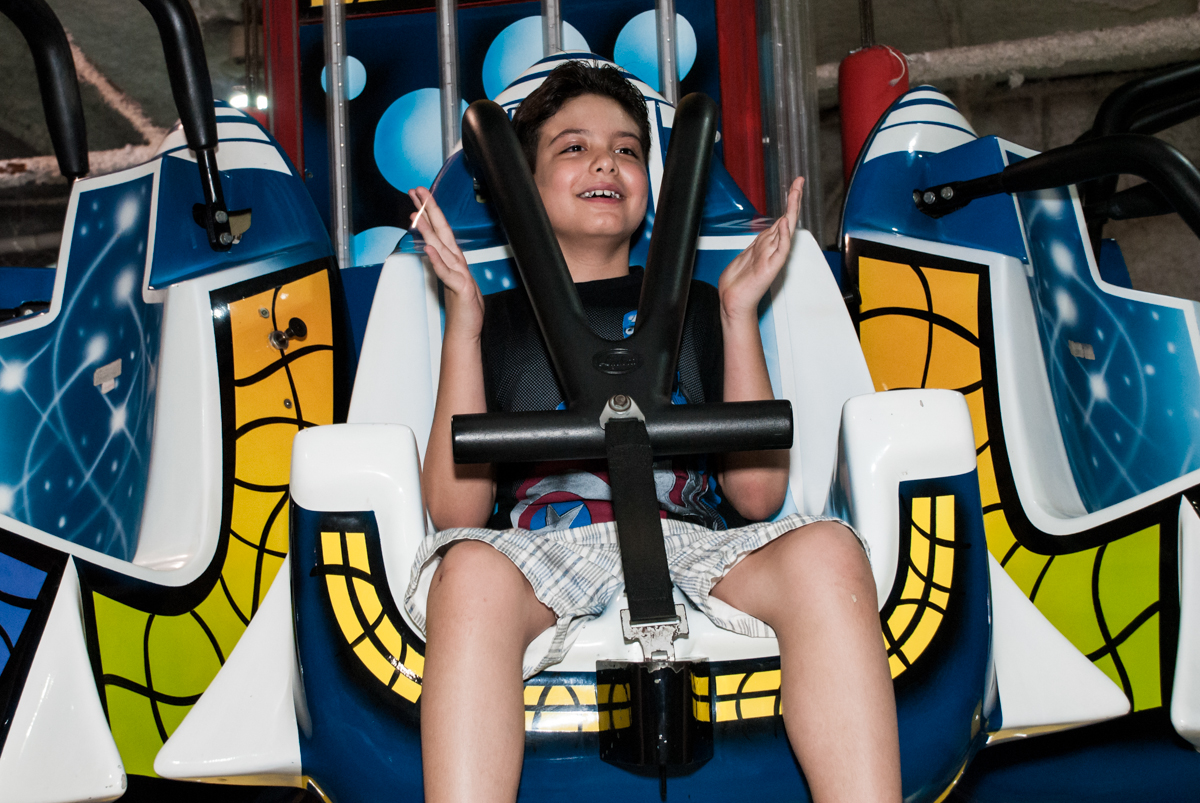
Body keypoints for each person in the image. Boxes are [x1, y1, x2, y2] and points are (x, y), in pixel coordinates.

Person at [403, 61, 900, 803]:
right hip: (545, 553)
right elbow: (455, 513)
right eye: (572, 148)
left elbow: (758, 493)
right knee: (467, 570)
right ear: (522, 187)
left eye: (629, 149)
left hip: (695, 543)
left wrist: (736, 315)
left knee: (827, 549)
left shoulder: (698, 304)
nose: (606, 160)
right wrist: (463, 323)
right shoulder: (494, 323)